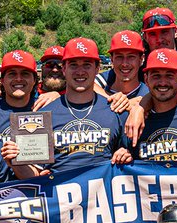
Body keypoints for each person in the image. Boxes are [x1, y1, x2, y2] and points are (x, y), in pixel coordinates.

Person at [37, 37, 131, 172]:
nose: (80, 71)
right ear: (64, 68)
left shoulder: (116, 110)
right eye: (73, 65)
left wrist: (127, 156)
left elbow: (132, 158)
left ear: (98, 68)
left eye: (87, 65)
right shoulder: (45, 114)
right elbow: (35, 171)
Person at [98, 31, 148, 99]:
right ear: (112, 59)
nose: (124, 64)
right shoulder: (97, 95)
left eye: (131, 57)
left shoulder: (151, 97)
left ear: (141, 59)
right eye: (119, 57)